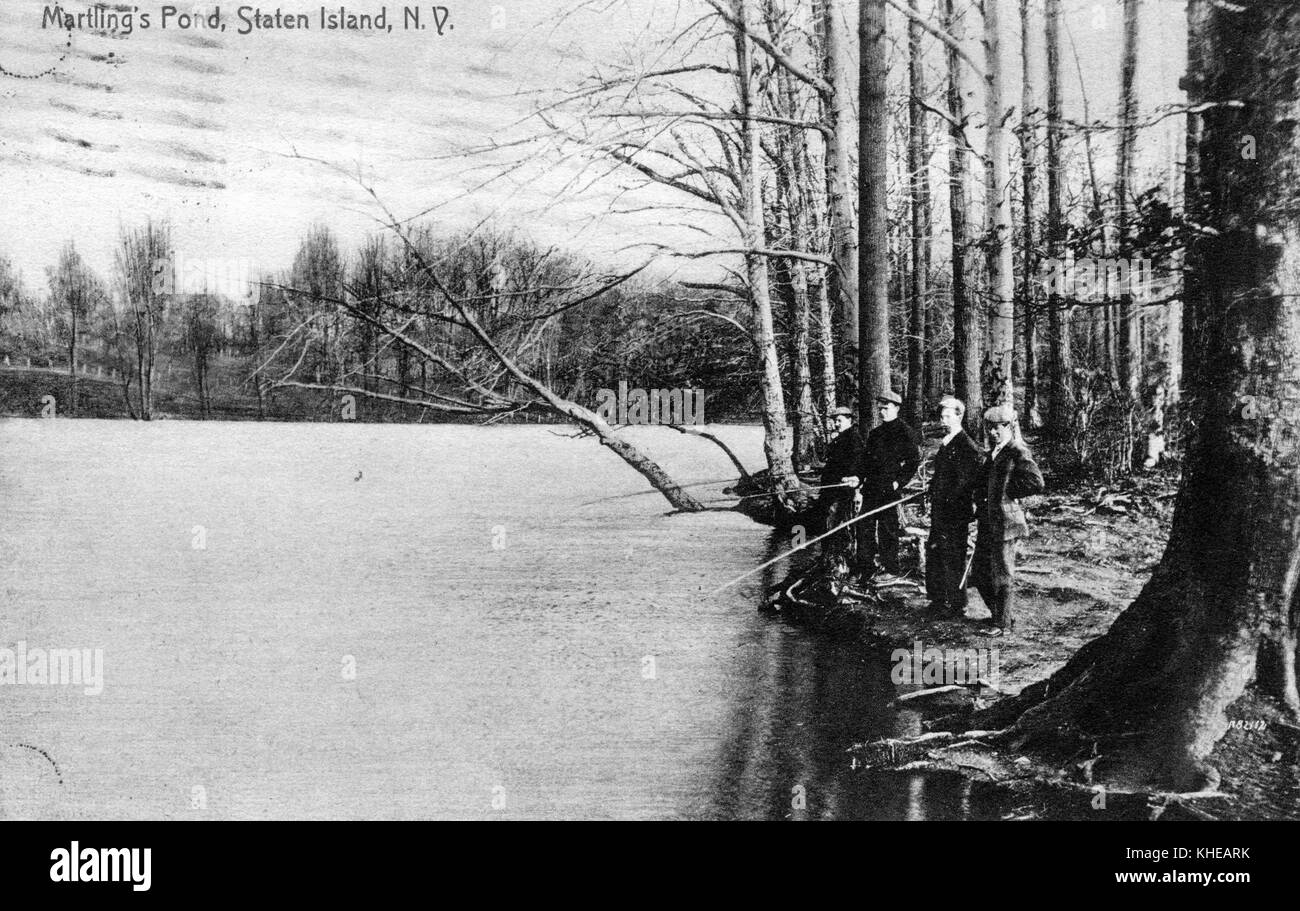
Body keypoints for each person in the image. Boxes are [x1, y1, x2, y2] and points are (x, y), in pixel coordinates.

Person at [970, 404, 1045, 634]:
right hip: (987, 521)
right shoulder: (994, 453)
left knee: (1002, 573)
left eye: (998, 428)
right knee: (980, 573)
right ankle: (1002, 617)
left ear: (1010, 427)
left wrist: (1008, 491)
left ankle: (1000, 624)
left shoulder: (1017, 451)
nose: (993, 433)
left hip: (1006, 522)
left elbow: (1036, 482)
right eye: (990, 428)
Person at [925, 396, 982, 616]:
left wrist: (947, 497)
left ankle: (956, 603)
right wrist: (932, 489)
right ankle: (938, 599)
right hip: (940, 511)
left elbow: (965, 482)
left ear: (959, 416)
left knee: (953, 556)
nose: (943, 420)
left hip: (954, 512)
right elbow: (941, 475)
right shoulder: (947, 442)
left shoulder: (967, 445)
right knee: (936, 553)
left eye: (948, 416)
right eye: (942, 416)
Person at [859, 390, 920, 581]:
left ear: (896, 408)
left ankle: (890, 568)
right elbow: (865, 462)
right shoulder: (875, 434)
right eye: (880, 408)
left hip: (889, 489)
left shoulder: (905, 432)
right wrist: (858, 478)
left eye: (886, 408)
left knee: (888, 530)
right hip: (870, 488)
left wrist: (898, 483)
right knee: (864, 527)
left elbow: (912, 463)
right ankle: (866, 567)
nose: (882, 412)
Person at [818, 406, 866, 568]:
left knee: (836, 524)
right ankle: (828, 558)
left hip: (841, 491)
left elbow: (857, 462)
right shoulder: (840, 438)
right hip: (830, 489)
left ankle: (837, 561)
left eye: (840, 420)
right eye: (835, 421)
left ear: (850, 420)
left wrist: (851, 479)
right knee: (827, 522)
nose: (836, 424)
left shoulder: (853, 438)